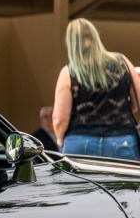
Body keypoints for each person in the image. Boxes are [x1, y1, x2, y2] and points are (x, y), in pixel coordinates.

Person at [52, 18, 140, 160]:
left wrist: (60, 140)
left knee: (80, 183)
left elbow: (60, 118)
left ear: (71, 43)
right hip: (122, 140)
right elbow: (137, 102)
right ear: (95, 36)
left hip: (79, 143)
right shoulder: (122, 62)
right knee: (123, 183)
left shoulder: (68, 72)